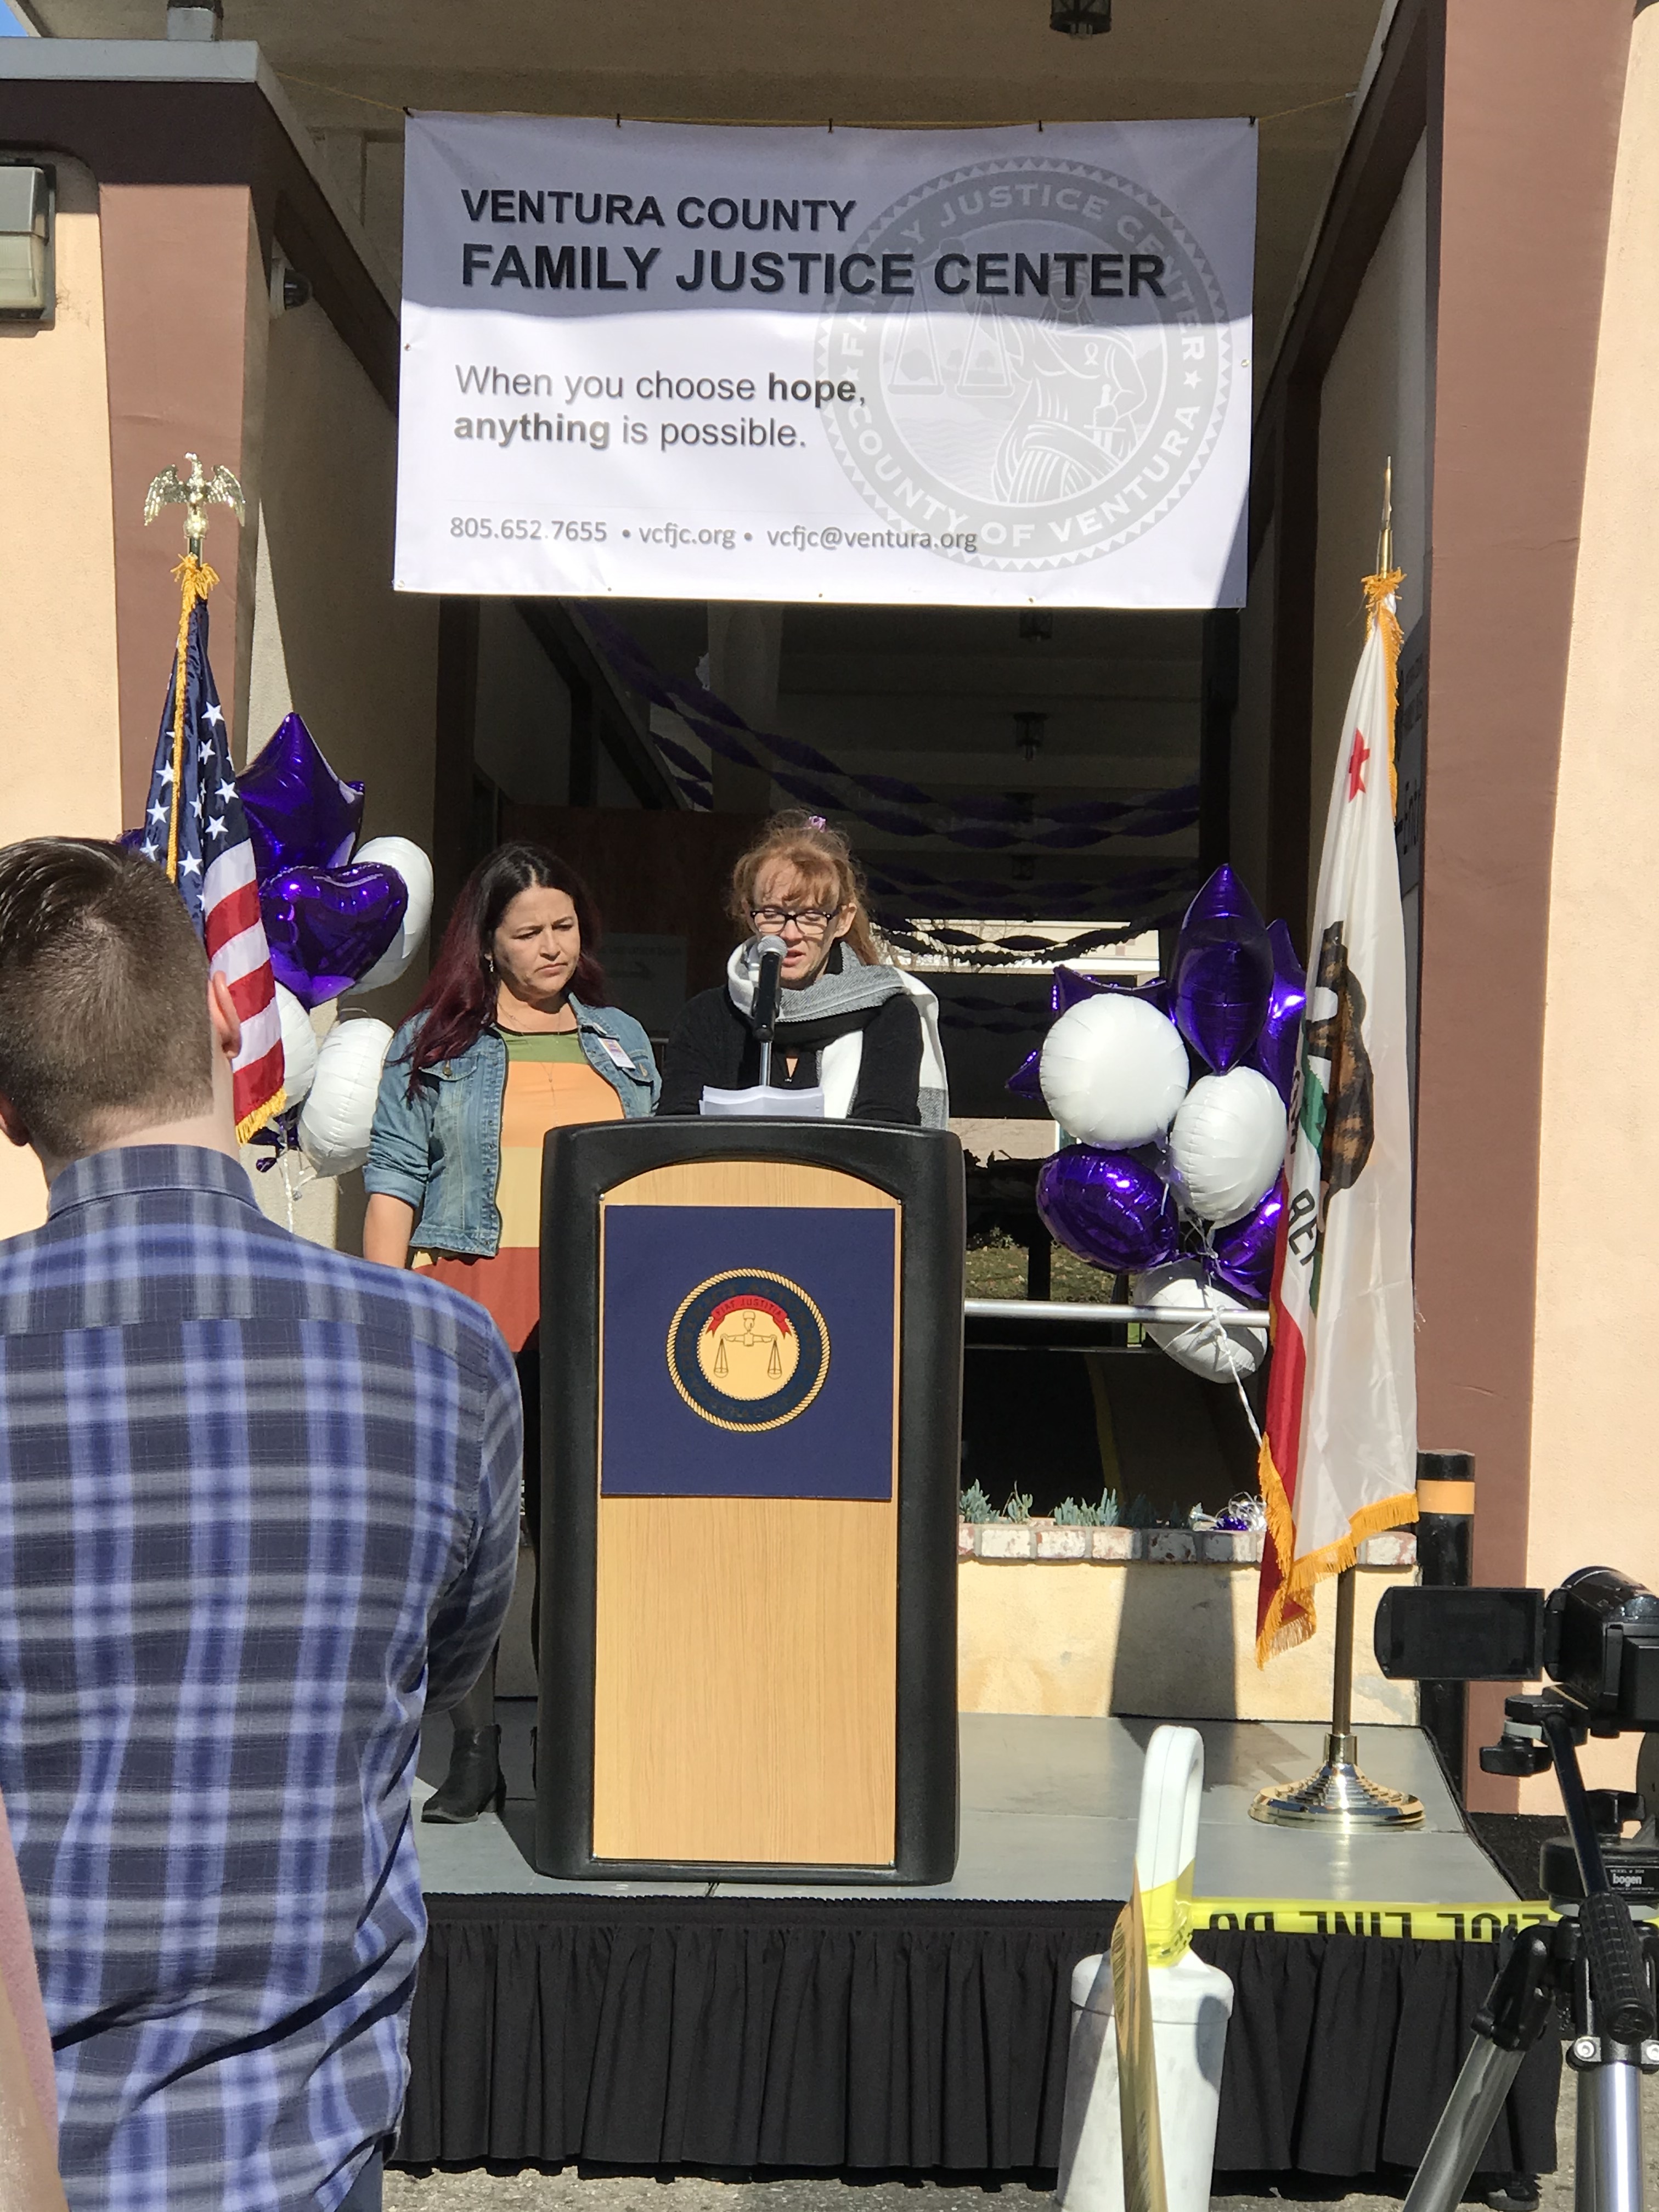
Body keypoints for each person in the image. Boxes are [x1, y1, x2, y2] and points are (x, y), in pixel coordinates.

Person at [0, 838, 521, 2212]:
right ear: (233, 1024)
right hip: (290, 2158)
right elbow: (444, 1663)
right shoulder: (446, 1359)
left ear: (7, 1107)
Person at [364, 843, 658, 1821]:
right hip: (466, 1301)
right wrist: (382, 1323)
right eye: (527, 932)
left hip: (594, 1309)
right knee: (482, 1541)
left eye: (563, 927)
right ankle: (477, 1749)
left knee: (572, 1535)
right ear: (485, 943)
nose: (550, 946)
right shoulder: (432, 1041)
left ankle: (569, 1747)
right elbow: (393, 1186)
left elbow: (659, 1183)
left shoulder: (620, 1041)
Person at [658, 811, 948, 1124]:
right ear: (747, 912)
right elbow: (677, 1129)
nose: (790, 935)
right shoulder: (707, 1017)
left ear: (843, 920)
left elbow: (884, 1135)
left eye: (812, 917)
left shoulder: (889, 1013)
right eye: (772, 914)